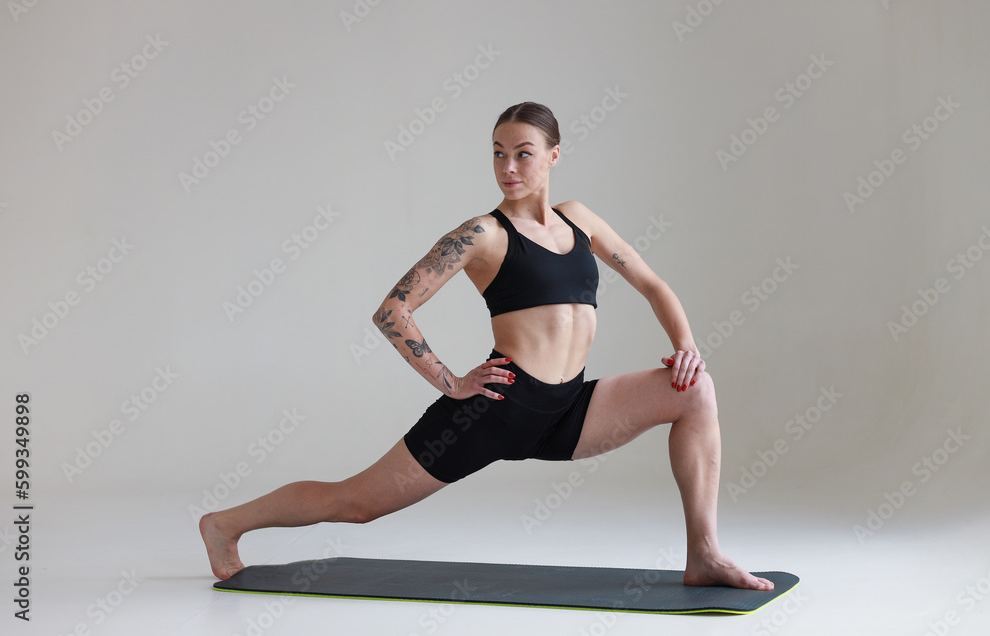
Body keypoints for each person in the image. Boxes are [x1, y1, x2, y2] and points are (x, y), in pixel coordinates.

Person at [200, 101, 774, 591]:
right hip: (495, 410)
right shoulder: (482, 234)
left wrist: (687, 345)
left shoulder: (580, 221)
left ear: (553, 155)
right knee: (355, 504)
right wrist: (451, 382)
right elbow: (392, 310)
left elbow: (652, 283)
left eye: (523, 152)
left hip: (568, 409)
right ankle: (226, 524)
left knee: (695, 390)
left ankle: (704, 553)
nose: (508, 166)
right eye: (498, 152)